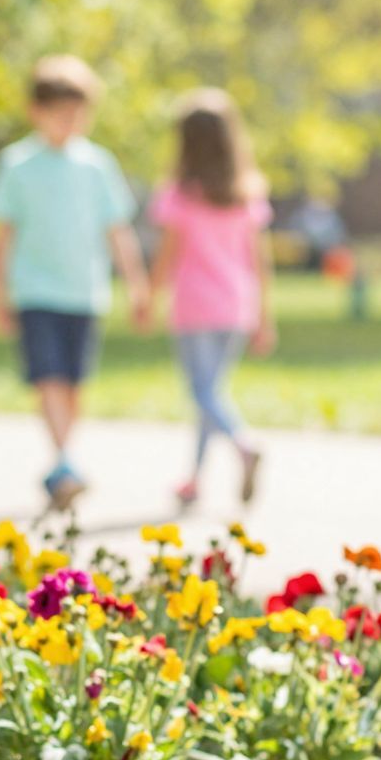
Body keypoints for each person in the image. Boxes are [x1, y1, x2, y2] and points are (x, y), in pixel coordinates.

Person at [0, 54, 150, 511]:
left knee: (73, 385)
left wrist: (137, 285)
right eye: (60, 112)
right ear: (36, 111)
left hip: (85, 292)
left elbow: (118, 231)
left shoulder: (97, 165)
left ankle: (62, 463)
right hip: (35, 291)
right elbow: (2, 238)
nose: (69, 122)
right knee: (48, 377)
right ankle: (65, 461)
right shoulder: (16, 164)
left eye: (78, 113)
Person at [147, 89, 277, 507]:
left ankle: (243, 444)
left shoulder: (179, 195)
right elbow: (259, 261)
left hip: (194, 305)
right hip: (237, 304)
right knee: (212, 392)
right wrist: (263, 314)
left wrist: (148, 298)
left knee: (203, 392)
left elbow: (166, 258)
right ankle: (195, 479)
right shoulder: (246, 193)